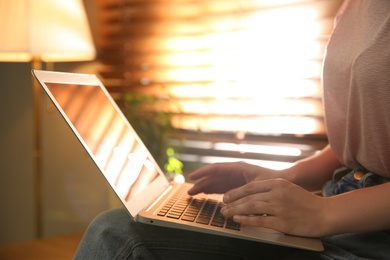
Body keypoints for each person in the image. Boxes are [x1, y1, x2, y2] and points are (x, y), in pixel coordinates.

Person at [74, 0, 390, 259]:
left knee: (116, 235)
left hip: (372, 237)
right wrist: (288, 176)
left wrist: (323, 214)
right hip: (343, 199)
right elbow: (362, 133)